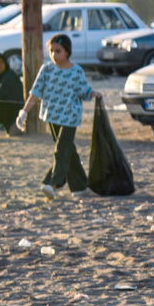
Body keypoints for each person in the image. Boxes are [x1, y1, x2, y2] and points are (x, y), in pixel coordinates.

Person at [16, 34, 94, 200]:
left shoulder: (76, 71)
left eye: (58, 51)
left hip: (70, 117)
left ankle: (53, 184)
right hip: (52, 116)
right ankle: (80, 185)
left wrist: (93, 93)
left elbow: (85, 90)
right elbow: (35, 92)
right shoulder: (47, 69)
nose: (54, 54)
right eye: (51, 51)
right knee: (68, 150)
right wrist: (24, 112)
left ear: (67, 51)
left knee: (61, 150)